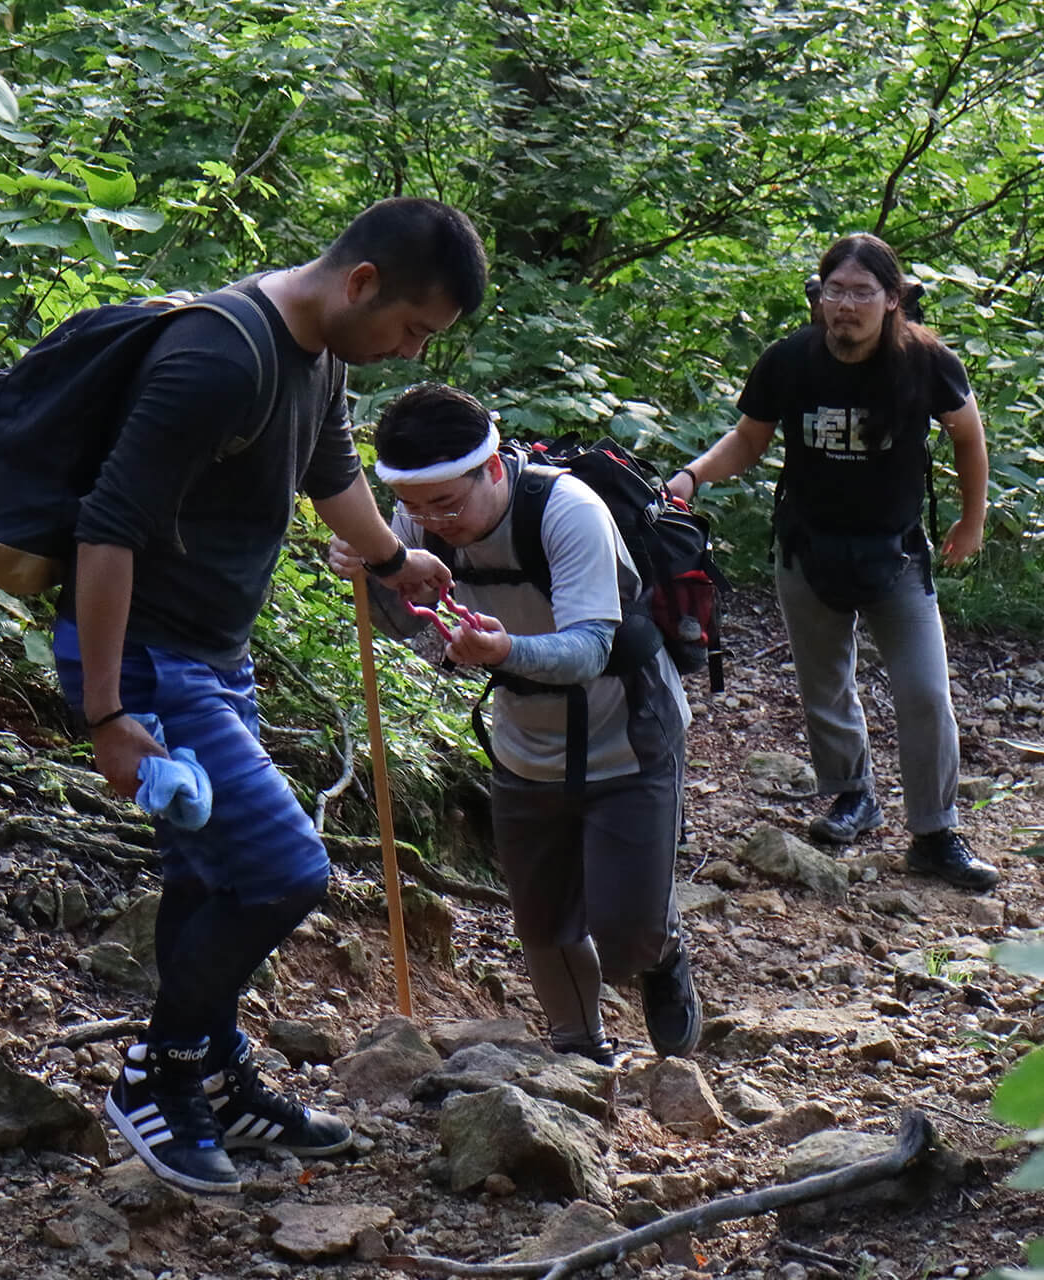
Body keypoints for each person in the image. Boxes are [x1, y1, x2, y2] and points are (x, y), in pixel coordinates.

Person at [59, 199, 487, 1194]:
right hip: (153, 662)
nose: (406, 350)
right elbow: (107, 528)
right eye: (412, 329)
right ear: (363, 283)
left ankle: (212, 1070)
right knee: (286, 869)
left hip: (213, 653)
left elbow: (327, 468)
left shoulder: (321, 353)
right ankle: (157, 1072)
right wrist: (111, 711)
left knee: (209, 875)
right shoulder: (221, 356)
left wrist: (393, 559)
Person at [329, 383, 701, 1066]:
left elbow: (590, 648)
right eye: (413, 506)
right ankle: (579, 1049)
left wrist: (506, 652)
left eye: (447, 502)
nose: (430, 521)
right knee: (542, 916)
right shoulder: (410, 524)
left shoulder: (569, 512)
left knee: (627, 930)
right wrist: (373, 576)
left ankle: (662, 951)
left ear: (492, 469)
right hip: (524, 738)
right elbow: (401, 626)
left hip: (629, 729)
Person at [666, 233, 999, 892]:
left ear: (893, 299)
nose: (846, 306)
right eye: (835, 291)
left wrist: (972, 519)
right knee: (825, 687)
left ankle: (935, 833)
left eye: (862, 293)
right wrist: (692, 477)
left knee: (925, 693)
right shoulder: (789, 360)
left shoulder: (926, 362)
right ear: (819, 297)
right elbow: (749, 440)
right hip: (808, 547)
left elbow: (967, 433)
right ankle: (853, 795)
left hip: (897, 553)